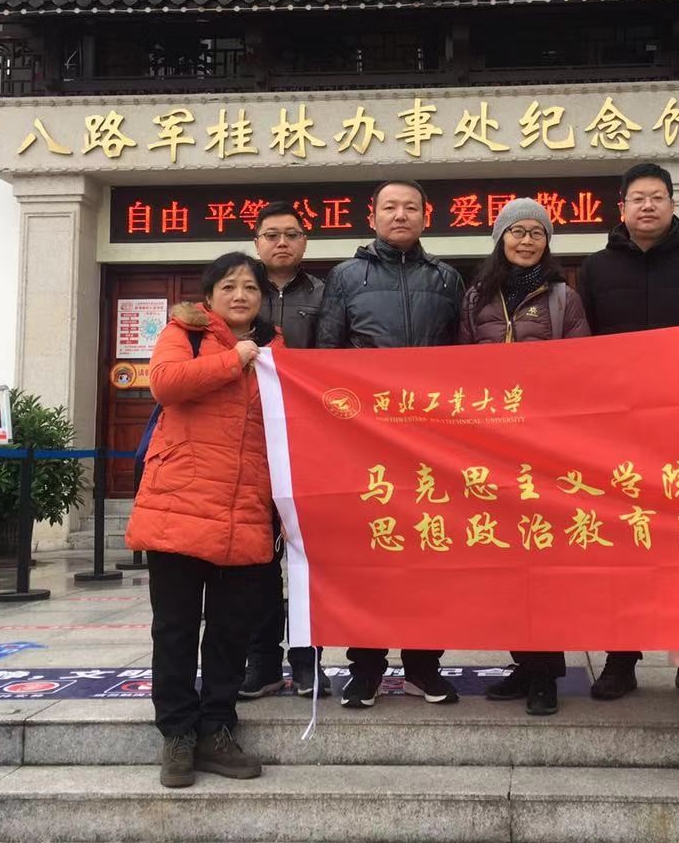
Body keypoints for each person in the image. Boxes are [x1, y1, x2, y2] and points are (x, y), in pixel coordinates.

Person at [575, 162, 679, 701]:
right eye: (638, 198)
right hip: (618, 434)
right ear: (621, 207)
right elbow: (581, 348)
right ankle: (620, 659)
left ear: (672, 204)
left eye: (657, 197)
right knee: (622, 547)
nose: (648, 206)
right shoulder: (595, 269)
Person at [125, 252, 280, 788]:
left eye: (251, 288)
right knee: (175, 628)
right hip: (180, 506)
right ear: (209, 296)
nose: (240, 296)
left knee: (231, 632)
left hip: (246, 510)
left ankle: (217, 728)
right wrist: (235, 358)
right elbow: (166, 384)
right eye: (229, 286)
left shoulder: (276, 350)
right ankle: (177, 734)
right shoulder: (185, 333)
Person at [316, 179, 465, 709]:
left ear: (426, 216)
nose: (400, 215)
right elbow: (327, 355)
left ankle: (424, 666)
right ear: (372, 216)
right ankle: (366, 668)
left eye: (410, 207)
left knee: (429, 554)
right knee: (370, 556)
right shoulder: (345, 276)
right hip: (367, 441)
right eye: (390, 207)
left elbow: (465, 360)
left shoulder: (447, 278)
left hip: (430, 443)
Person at [457, 197, 590, 716]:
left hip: (545, 447)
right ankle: (522, 661)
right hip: (491, 446)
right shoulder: (475, 298)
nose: (527, 240)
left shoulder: (562, 298)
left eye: (537, 232)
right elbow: (459, 370)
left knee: (543, 560)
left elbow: (580, 368)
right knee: (504, 561)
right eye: (517, 231)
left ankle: (545, 674)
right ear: (500, 239)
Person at [238, 200, 331, 701]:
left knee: (307, 555)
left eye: (291, 234)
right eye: (271, 234)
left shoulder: (326, 293)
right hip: (249, 441)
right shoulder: (239, 291)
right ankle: (262, 660)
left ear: (304, 242)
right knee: (257, 561)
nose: (281, 243)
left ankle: (308, 660)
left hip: (308, 440)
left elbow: (335, 357)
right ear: (257, 242)